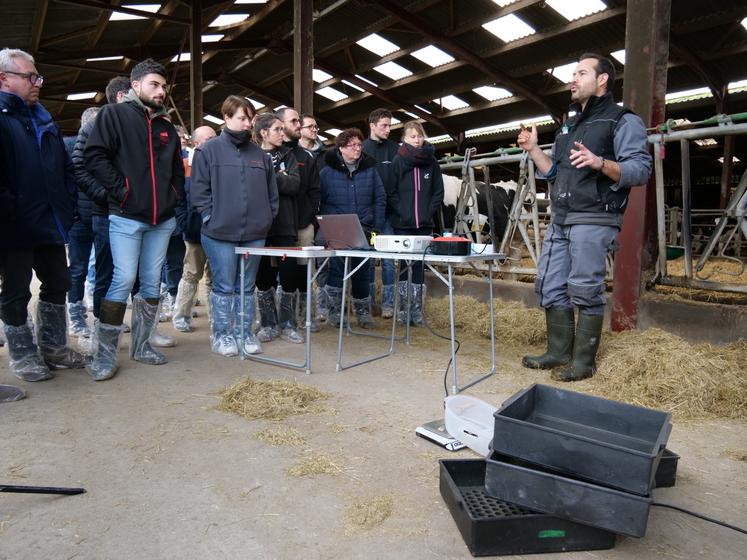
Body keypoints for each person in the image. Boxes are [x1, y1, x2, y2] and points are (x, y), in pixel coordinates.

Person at [517, 53, 652, 381]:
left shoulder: (622, 120)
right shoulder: (570, 125)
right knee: (550, 284)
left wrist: (600, 163)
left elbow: (640, 169)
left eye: (580, 73)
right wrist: (534, 150)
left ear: (602, 79)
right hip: (562, 216)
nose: (572, 79)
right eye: (572, 73)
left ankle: (583, 363)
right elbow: (555, 173)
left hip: (594, 216)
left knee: (583, 287)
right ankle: (558, 351)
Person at [84, 59, 185, 381]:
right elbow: (94, 155)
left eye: (164, 87)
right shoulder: (113, 115)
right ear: (136, 85)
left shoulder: (166, 127)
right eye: (154, 85)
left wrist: (173, 196)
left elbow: (174, 172)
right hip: (126, 216)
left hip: (162, 218)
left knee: (152, 283)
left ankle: (141, 346)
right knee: (123, 279)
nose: (161, 91)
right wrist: (121, 191)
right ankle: (105, 354)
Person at [0, 47, 88, 382]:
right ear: (3, 79)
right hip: (14, 224)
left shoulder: (43, 118)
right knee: (17, 289)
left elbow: (65, 170)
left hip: (49, 220)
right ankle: (22, 355)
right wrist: (10, 210)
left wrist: (66, 207)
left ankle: (53, 347)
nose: (37, 82)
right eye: (29, 76)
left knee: (59, 282)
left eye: (37, 76)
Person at [191, 96, 278, 357]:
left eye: (249, 118)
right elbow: (198, 191)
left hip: (254, 233)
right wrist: (209, 217)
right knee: (224, 285)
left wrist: (266, 219)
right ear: (226, 118)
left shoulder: (259, 155)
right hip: (219, 233)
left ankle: (245, 332)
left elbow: (271, 192)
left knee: (247, 285)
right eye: (241, 118)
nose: (246, 123)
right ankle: (222, 335)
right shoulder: (208, 151)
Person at [72, 75, 131, 327]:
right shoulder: (94, 126)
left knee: (131, 273)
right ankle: (102, 327)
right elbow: (80, 167)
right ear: (121, 96)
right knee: (105, 271)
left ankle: (121, 324)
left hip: (134, 211)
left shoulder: (137, 125)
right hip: (105, 212)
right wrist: (108, 195)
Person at [320, 128, 386, 328]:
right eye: (353, 145)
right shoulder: (327, 172)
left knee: (362, 271)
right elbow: (320, 200)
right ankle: (334, 313)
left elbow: (380, 198)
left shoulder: (370, 171)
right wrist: (328, 223)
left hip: (364, 227)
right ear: (341, 148)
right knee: (336, 271)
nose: (358, 149)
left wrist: (376, 224)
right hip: (337, 229)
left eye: (359, 145)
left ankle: (362, 313)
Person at [387, 121, 444, 326]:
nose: (417, 140)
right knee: (404, 265)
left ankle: (417, 310)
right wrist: (402, 213)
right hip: (403, 224)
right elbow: (391, 192)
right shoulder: (398, 161)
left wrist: (429, 212)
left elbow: (438, 192)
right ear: (404, 139)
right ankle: (403, 309)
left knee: (419, 264)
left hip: (425, 224)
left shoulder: (432, 162)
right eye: (412, 136)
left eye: (419, 136)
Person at [254, 112, 303, 343]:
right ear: (263, 133)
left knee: (289, 272)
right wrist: (278, 176)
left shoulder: (288, 155)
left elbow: (294, 184)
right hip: (260, 226)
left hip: (285, 223)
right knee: (263, 276)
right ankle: (268, 324)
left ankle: (288, 323)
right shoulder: (251, 154)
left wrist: (271, 175)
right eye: (277, 130)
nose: (282, 134)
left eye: (283, 129)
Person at [278, 108, 322, 333]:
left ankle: (306, 316)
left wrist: (311, 219)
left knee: (305, 272)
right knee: (283, 272)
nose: (298, 125)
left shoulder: (306, 157)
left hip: (304, 223)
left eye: (298, 121)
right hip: (278, 225)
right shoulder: (274, 154)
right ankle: (284, 319)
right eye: (293, 121)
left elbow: (315, 191)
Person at [172, 125, 217, 332]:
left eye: (215, 137)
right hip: (194, 230)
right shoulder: (184, 165)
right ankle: (181, 315)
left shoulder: (220, 165)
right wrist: (184, 222)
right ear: (196, 143)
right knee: (191, 273)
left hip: (218, 231)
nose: (213, 141)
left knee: (215, 277)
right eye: (208, 139)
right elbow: (178, 198)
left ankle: (217, 317)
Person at [362, 108, 399, 319]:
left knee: (387, 259)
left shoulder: (395, 149)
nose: (388, 129)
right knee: (368, 258)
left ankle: (388, 304)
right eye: (384, 125)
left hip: (388, 215)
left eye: (389, 125)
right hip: (368, 216)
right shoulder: (362, 149)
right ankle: (368, 303)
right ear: (372, 126)